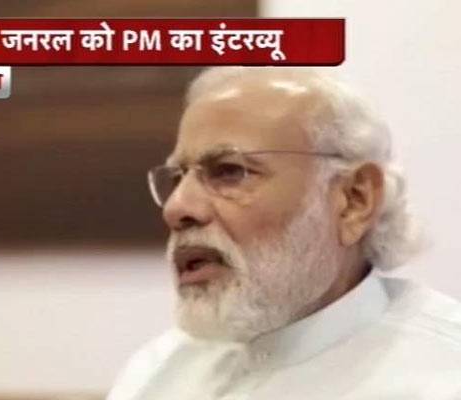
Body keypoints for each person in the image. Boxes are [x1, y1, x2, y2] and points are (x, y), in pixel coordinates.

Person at [107, 67, 461, 400]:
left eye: (229, 171)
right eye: (177, 177)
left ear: (354, 200)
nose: (176, 208)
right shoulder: (159, 370)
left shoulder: (443, 376)